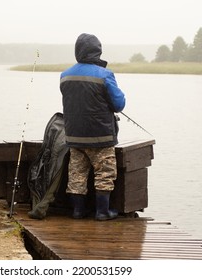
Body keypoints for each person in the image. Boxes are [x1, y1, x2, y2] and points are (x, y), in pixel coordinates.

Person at [59, 33, 126, 221]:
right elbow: (119, 104)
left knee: (77, 175)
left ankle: (78, 211)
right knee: (105, 174)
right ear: (97, 51)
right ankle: (102, 212)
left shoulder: (65, 76)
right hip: (101, 137)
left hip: (74, 136)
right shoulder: (105, 75)